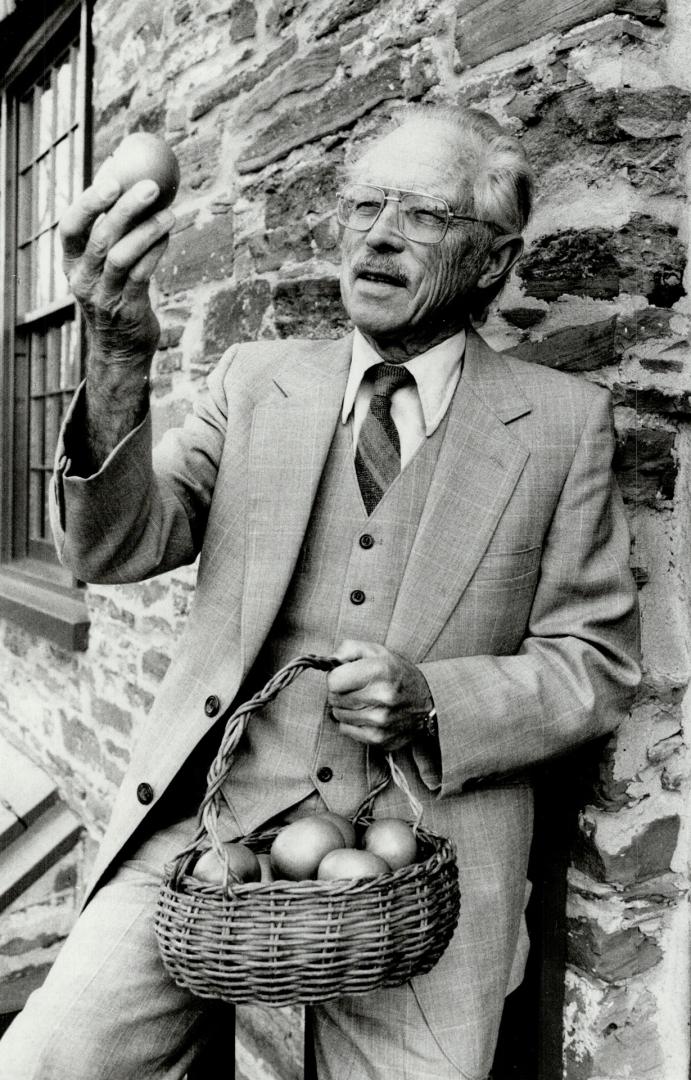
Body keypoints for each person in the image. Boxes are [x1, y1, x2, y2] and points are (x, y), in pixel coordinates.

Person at [0, 105, 640, 1080]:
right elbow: (111, 546)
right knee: (48, 1056)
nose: (376, 235)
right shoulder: (256, 383)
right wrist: (120, 358)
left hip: (426, 865)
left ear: (491, 261)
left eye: (419, 216)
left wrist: (433, 700)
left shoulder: (562, 424)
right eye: (361, 208)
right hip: (211, 830)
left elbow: (591, 665)